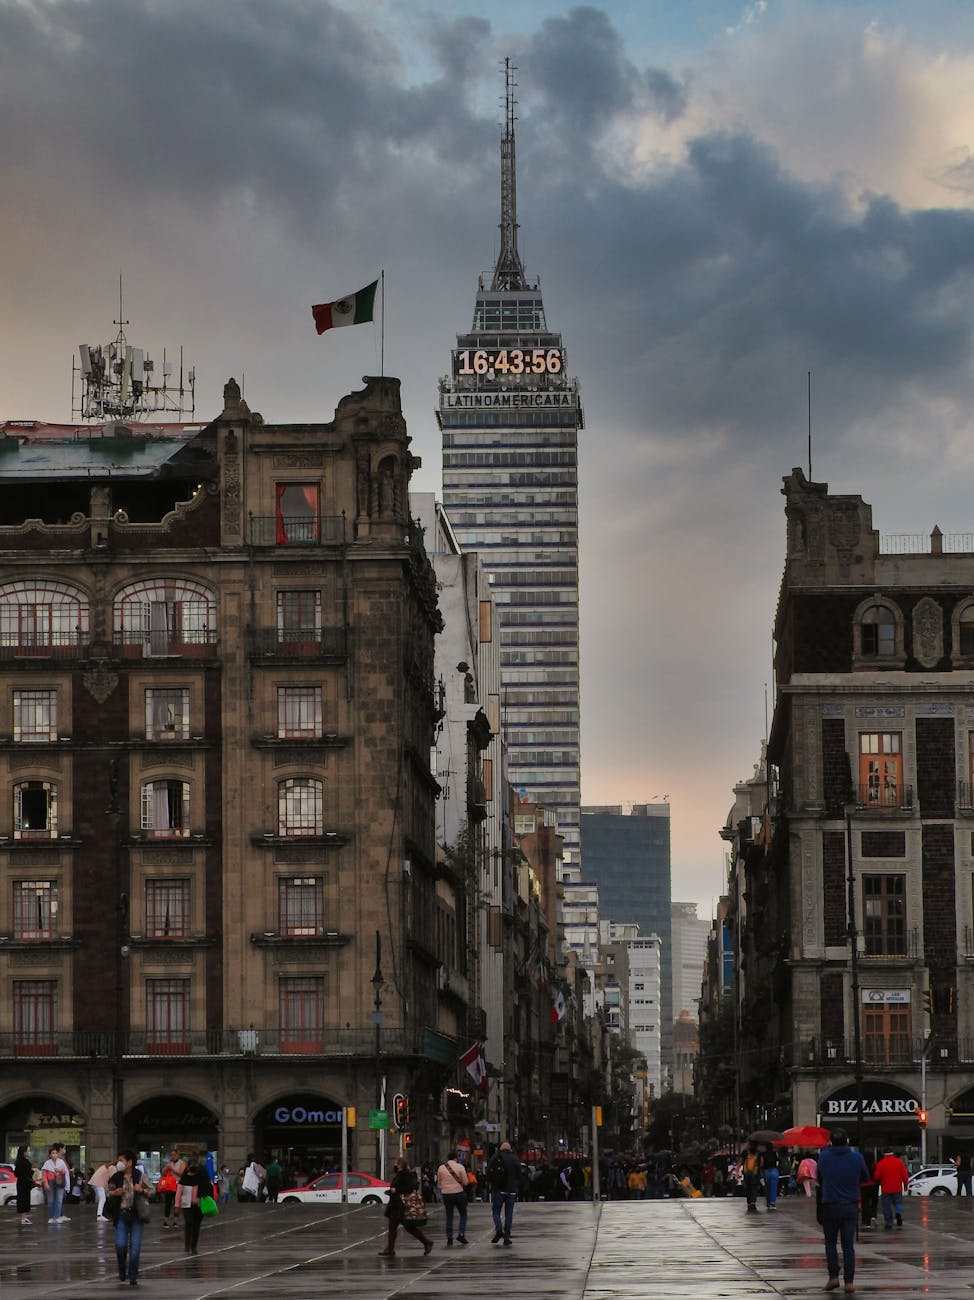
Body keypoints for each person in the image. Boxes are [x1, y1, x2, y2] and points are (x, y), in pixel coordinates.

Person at [817, 1127, 869, 1294]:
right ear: (847, 1141)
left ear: (831, 1141)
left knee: (830, 1243)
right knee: (848, 1246)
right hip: (850, 1205)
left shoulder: (824, 1157)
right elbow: (865, 1176)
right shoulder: (856, 1157)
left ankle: (833, 1277)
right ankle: (849, 1282)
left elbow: (819, 1177)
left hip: (830, 1204)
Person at [106, 1149, 149, 1287]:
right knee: (120, 1245)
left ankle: (133, 1275)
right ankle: (121, 1269)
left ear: (129, 1162)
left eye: (121, 1161)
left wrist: (142, 1190)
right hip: (121, 1215)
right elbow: (107, 1192)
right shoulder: (116, 1177)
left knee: (135, 1248)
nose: (119, 1163)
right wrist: (114, 1192)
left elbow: (152, 1190)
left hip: (136, 1215)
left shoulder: (139, 1176)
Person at [379, 1156, 433, 1256]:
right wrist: (391, 1191)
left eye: (396, 1163)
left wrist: (396, 1190)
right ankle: (390, 1248)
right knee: (394, 1227)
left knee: (407, 1227)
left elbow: (410, 1188)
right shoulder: (400, 1174)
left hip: (401, 1205)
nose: (395, 1165)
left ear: (400, 1165)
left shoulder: (405, 1175)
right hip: (396, 1204)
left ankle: (426, 1242)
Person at [178, 1149, 214, 1255]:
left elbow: (208, 1186)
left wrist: (209, 1199)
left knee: (196, 1225)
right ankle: (188, 1244)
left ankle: (193, 1246)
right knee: (189, 1222)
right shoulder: (187, 1171)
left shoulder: (202, 1170)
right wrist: (177, 1203)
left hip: (199, 1201)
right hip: (187, 1202)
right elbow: (181, 1185)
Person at [488, 1140, 521, 1246]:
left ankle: (499, 1229)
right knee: (509, 1214)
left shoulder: (495, 1157)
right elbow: (519, 1173)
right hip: (511, 1190)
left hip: (499, 1189)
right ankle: (507, 1237)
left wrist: (492, 1184)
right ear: (510, 1149)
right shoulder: (514, 1158)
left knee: (496, 1211)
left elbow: (489, 1172)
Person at [435, 1150, 469, 1245]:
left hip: (446, 1194)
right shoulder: (460, 1167)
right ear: (456, 1158)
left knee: (449, 1215)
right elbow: (466, 1182)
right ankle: (461, 1234)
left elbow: (439, 1182)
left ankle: (449, 1237)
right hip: (458, 1193)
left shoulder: (441, 1168)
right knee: (463, 1214)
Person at [872, 1148, 909, 1230]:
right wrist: (906, 1185)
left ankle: (889, 1223)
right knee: (898, 1203)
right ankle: (898, 1213)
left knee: (886, 1206)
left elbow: (876, 1176)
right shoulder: (899, 1162)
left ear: (884, 1154)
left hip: (886, 1188)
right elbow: (905, 1175)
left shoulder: (881, 1163)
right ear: (892, 1153)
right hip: (897, 1187)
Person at [41, 1143, 70, 1224]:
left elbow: (65, 1173)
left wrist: (60, 1171)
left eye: (56, 1153)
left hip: (59, 1182)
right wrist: (46, 1184)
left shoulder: (61, 1162)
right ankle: (51, 1217)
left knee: (59, 1200)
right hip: (50, 1182)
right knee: (50, 1200)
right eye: (53, 1153)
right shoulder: (47, 1163)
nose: (54, 1155)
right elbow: (44, 1174)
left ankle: (57, 1217)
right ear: (50, 1155)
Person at [14, 1142, 34, 1226]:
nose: (29, 1152)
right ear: (24, 1152)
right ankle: (23, 1218)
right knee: (24, 1200)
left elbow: (16, 1174)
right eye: (28, 1151)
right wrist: (32, 1172)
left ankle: (23, 1217)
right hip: (25, 1184)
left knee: (22, 1200)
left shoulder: (18, 1162)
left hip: (21, 1183)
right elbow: (26, 1173)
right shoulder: (24, 1162)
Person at [742, 1142, 761, 1213]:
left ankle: (749, 1202)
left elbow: (741, 1161)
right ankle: (753, 1202)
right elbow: (761, 1163)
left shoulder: (745, 1152)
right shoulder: (758, 1153)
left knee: (748, 1188)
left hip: (746, 1173)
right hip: (755, 1174)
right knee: (754, 1188)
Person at [763, 1145, 781, 1210]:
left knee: (767, 1188)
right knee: (774, 1188)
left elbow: (762, 1163)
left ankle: (768, 1202)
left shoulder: (763, 1154)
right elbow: (778, 1162)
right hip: (774, 1171)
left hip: (766, 1171)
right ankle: (773, 1203)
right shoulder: (775, 1153)